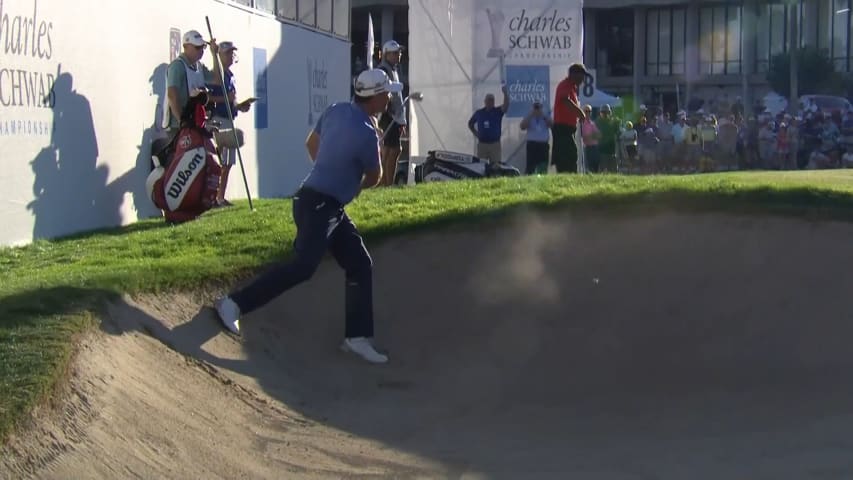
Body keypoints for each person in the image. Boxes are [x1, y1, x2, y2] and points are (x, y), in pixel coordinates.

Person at [213, 68, 402, 364]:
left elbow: (311, 145)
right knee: (303, 267)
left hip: (317, 201)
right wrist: (352, 178)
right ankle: (233, 303)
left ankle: (357, 338)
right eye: (386, 92)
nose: (389, 96)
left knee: (359, 263)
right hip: (320, 206)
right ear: (375, 97)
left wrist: (331, 171)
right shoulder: (368, 133)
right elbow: (375, 176)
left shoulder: (337, 110)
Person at [206, 41, 255, 207]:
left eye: (232, 53)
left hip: (229, 118)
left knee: (228, 161)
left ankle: (220, 196)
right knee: (220, 160)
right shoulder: (215, 74)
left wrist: (240, 106)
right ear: (219, 55)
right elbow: (207, 99)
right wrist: (226, 99)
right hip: (217, 119)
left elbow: (231, 100)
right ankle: (213, 196)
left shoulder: (230, 75)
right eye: (227, 53)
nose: (231, 56)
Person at [163, 30, 222, 145]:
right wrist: (182, 122)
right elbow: (172, 95)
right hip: (178, 127)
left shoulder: (199, 66)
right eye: (197, 47)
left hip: (195, 124)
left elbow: (218, 79)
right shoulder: (177, 66)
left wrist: (215, 55)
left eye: (203, 47)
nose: (201, 51)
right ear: (186, 46)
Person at [376, 40, 407, 186]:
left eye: (399, 52)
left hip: (394, 116)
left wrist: (401, 120)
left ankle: (383, 183)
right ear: (387, 54)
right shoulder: (384, 70)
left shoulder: (393, 70)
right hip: (389, 116)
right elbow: (384, 93)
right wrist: (392, 114)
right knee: (393, 150)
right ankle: (386, 184)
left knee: (389, 150)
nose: (398, 55)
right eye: (395, 53)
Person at [551, 64, 587, 173]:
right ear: (573, 75)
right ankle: (567, 179)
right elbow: (565, 100)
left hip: (569, 129)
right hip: (562, 129)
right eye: (581, 76)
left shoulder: (572, 88)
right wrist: (580, 113)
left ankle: (570, 178)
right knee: (567, 156)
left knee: (571, 156)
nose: (583, 80)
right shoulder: (565, 85)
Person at [468, 85, 510, 165]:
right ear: (485, 101)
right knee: (481, 165)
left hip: (495, 144)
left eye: (492, 100)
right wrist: (476, 133)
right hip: (482, 144)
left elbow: (506, 106)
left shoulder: (497, 111)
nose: (490, 102)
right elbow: (470, 123)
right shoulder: (479, 113)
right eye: (489, 100)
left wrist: (505, 94)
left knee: (496, 165)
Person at [519, 101, 552, 174]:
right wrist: (531, 114)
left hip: (543, 145)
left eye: (538, 107)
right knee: (530, 167)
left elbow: (551, 125)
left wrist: (543, 115)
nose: (537, 109)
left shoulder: (546, 114)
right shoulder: (529, 115)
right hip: (532, 145)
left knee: (543, 167)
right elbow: (522, 126)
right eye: (535, 107)